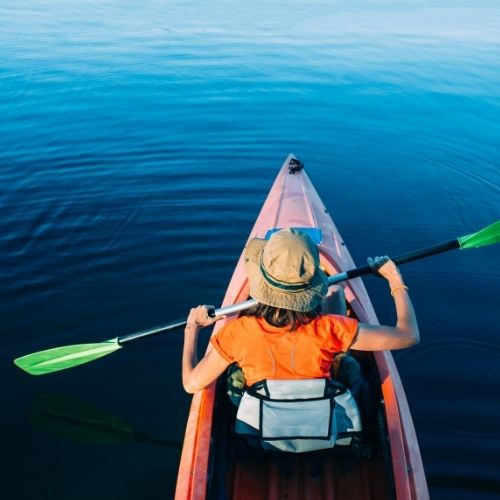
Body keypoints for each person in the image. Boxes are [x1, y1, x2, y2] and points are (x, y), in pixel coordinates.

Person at [182, 228, 419, 395]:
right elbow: (408, 336)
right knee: (336, 295)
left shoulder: (237, 333)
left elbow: (192, 384)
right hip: (321, 425)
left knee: (234, 376)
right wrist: (394, 278)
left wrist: (192, 328)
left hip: (262, 431)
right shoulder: (332, 329)